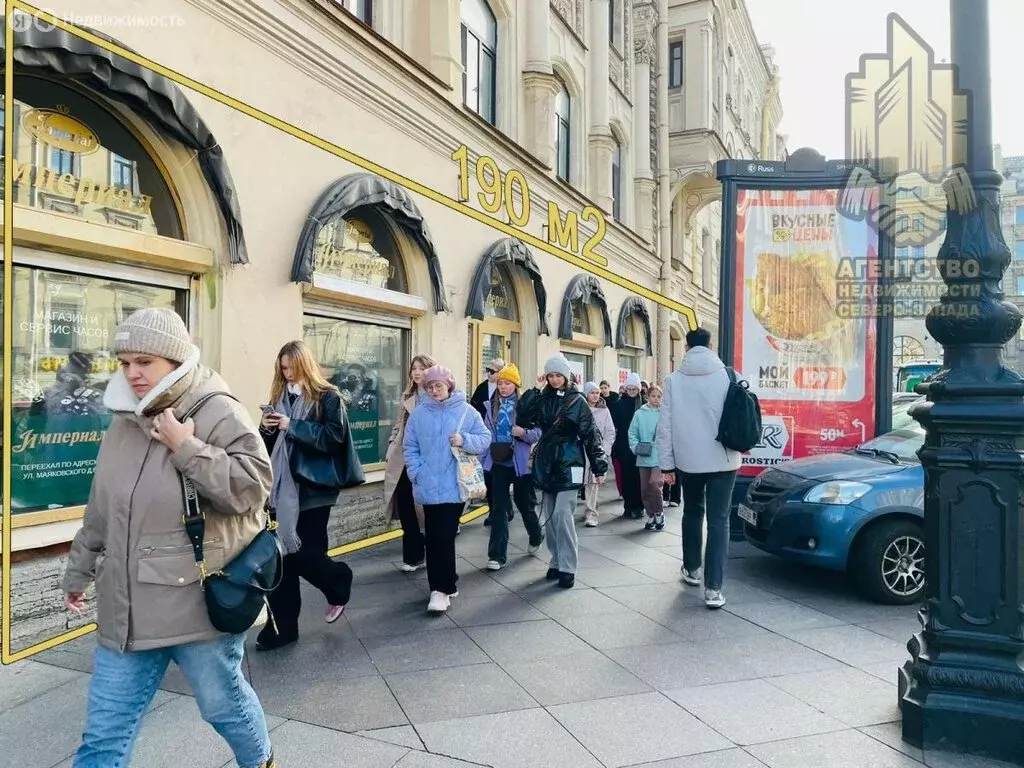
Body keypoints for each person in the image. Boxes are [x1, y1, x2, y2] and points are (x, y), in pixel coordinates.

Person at [61, 308, 276, 768]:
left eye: (145, 361)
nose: (133, 373)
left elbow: (253, 488)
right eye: (124, 363)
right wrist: (78, 571)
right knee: (102, 737)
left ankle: (259, 762)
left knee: (225, 709)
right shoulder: (123, 420)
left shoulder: (215, 408)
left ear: (174, 361)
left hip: (193, 605)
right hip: (125, 608)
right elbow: (102, 507)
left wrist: (187, 447)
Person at [257, 340, 357, 651]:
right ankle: (283, 628)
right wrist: (267, 428)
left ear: (304, 365)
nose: (286, 373)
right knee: (281, 560)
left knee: (305, 555)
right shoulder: (279, 397)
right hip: (281, 490)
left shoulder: (328, 397)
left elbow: (333, 438)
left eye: (291, 367)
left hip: (314, 488)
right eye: (282, 368)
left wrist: (293, 426)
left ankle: (339, 579)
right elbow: (270, 447)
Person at [657, 327, 742, 610]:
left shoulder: (672, 381)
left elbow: (665, 426)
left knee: (692, 511)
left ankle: (692, 569)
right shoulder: (730, 375)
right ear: (711, 345)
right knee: (720, 520)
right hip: (724, 458)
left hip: (688, 461)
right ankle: (714, 589)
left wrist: (666, 465)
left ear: (687, 347)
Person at [404, 365, 491, 613]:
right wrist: (415, 472)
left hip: (456, 486)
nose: (434, 390)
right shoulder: (420, 414)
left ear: (449, 386)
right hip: (428, 485)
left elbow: (485, 438)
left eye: (438, 386)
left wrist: (465, 440)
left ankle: (440, 590)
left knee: (441, 536)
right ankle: (445, 583)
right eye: (429, 387)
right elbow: (409, 446)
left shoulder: (466, 411)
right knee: (436, 537)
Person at [518, 354, 607, 589]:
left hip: (571, 460)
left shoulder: (578, 401)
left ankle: (568, 566)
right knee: (549, 515)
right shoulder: (542, 397)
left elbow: (591, 435)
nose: (555, 379)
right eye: (551, 375)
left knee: (562, 515)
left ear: (567, 376)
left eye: (559, 375)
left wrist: (599, 466)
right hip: (547, 461)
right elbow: (524, 416)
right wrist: (535, 390)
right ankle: (556, 560)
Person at [480, 363, 545, 569]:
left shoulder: (526, 405)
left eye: (507, 383)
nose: (503, 387)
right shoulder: (490, 406)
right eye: (500, 383)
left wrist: (523, 433)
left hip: (520, 464)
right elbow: (484, 434)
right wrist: (482, 462)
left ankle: (536, 535)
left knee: (525, 504)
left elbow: (538, 432)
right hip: (498, 461)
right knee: (498, 508)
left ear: (515, 384)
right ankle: (496, 556)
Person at [383, 354, 436, 572]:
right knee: (405, 505)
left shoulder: (436, 395)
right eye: (414, 368)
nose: (417, 372)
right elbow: (398, 424)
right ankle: (413, 555)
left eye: (422, 368)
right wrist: (391, 443)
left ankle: (430, 550)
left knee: (425, 509)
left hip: (427, 459)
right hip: (402, 457)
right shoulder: (408, 395)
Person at [470, 357, 506, 522]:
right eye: (488, 370)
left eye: (493, 371)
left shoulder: (508, 389)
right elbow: (473, 409)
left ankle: (503, 509)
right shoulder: (482, 387)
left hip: (503, 441)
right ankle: (495, 511)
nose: (489, 374)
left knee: (500, 477)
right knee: (488, 476)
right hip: (485, 438)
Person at [628, 384, 665, 531]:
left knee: (655, 485)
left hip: (660, 456)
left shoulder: (665, 414)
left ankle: (659, 513)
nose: (656, 399)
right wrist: (636, 447)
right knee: (645, 488)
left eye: (659, 396)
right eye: (653, 396)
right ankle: (650, 514)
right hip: (644, 455)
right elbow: (632, 433)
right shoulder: (639, 414)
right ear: (648, 397)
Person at [610, 373, 645, 519]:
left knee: (639, 479)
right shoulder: (619, 404)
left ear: (638, 389)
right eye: (629, 389)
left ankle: (639, 507)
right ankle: (628, 506)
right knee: (626, 478)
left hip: (640, 446)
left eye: (634, 389)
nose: (631, 392)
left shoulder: (643, 404)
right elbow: (614, 425)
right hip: (624, 446)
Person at [582, 382, 616, 527]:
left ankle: (591, 513)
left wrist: (605, 450)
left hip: (596, 451)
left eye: (597, 392)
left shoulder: (604, 410)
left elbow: (610, 431)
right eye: (592, 392)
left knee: (593, 482)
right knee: (579, 481)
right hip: (580, 450)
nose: (595, 395)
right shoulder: (580, 409)